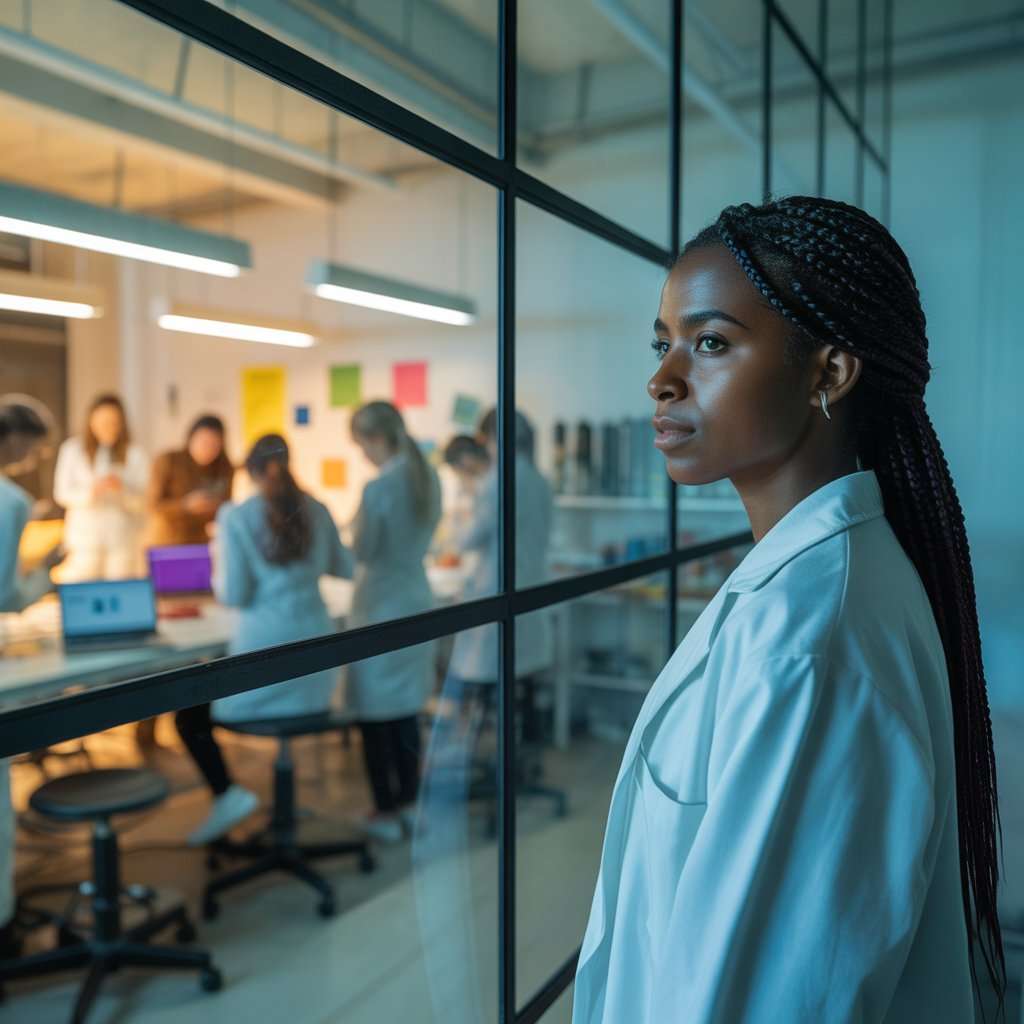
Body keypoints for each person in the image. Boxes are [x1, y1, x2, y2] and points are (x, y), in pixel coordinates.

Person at [572, 197, 1004, 1022]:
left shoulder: (809, 644)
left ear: (828, 373)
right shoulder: (808, 590)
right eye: (663, 343)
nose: (661, 378)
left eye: (710, 343)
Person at [175, 434, 354, 847]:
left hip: (266, 661)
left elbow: (234, 594)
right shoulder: (318, 508)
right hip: (318, 673)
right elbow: (344, 568)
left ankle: (227, 794)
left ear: (250, 471)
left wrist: (219, 561)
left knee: (187, 711)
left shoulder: (235, 517)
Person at [347, 401, 441, 844]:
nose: (362, 455)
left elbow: (363, 551)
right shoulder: (428, 477)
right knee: (405, 713)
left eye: (361, 445)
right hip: (416, 600)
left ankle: (383, 810)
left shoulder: (379, 488)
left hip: (380, 606)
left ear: (376, 439)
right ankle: (409, 804)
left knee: (373, 717)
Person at [0, 398, 65, 957]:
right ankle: (4, 925)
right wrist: (46, 573)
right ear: (17, 440)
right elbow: (4, 595)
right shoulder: (11, 501)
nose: (33, 459)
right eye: (35, 448)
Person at [54, 393, 149, 581]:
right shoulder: (72, 450)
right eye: (103, 421)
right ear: (91, 421)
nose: (108, 427)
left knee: (119, 591)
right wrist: (92, 492)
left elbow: (144, 501)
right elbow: (61, 493)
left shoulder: (135, 454)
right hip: (85, 538)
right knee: (83, 588)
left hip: (122, 537)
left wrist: (122, 490)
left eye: (114, 422)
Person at [145, 414, 234, 547]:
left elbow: (226, 507)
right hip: (168, 541)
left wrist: (211, 506)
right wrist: (185, 505)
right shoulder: (169, 460)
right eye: (203, 441)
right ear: (191, 438)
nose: (207, 447)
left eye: (214, 443)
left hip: (202, 542)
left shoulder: (225, 467)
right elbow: (152, 504)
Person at [435, 434, 490, 561]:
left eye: (457, 470)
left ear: (466, 459)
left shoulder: (489, 485)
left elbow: (471, 538)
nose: (459, 476)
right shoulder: (483, 483)